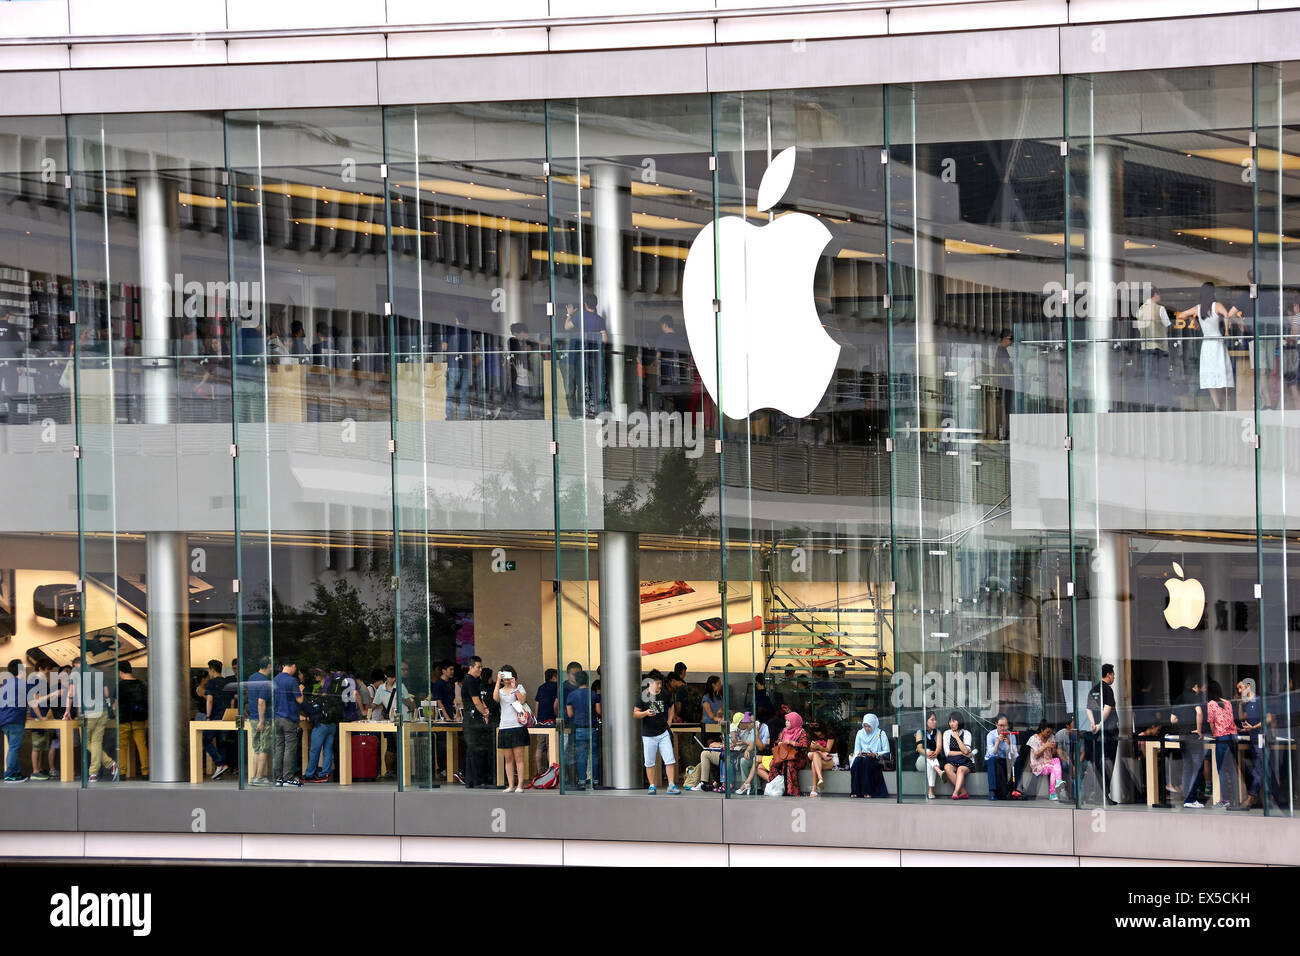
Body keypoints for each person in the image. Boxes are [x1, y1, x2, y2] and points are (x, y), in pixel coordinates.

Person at [1176, 283, 1232, 410]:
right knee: (1221, 371)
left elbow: (1181, 315)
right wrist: (1227, 332)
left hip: (1206, 343)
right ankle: (1221, 403)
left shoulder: (1198, 308)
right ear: (1213, 293)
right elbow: (1227, 315)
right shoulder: (1217, 305)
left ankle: (1217, 404)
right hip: (1217, 341)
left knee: (1209, 373)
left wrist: (1192, 318)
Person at [634, 670, 679, 794]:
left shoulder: (664, 694)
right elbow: (635, 713)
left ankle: (671, 784)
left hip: (663, 732)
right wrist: (645, 713)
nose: (659, 686)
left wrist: (670, 720)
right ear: (650, 683)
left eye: (660, 683)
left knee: (670, 759)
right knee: (649, 761)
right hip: (648, 734)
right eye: (657, 683)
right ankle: (652, 785)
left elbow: (671, 706)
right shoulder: (643, 696)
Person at [1170, 677, 1206, 808]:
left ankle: (1186, 798)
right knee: (1197, 767)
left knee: (1187, 768)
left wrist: (1183, 721)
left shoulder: (1179, 698)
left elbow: (1172, 719)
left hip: (1182, 736)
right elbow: (1199, 712)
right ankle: (1190, 799)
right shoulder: (1195, 697)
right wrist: (1199, 729)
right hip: (1192, 736)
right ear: (1195, 686)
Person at [1084, 663, 1119, 802]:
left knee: (1098, 761)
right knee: (1109, 762)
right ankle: (1104, 793)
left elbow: (1088, 709)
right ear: (1109, 674)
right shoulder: (1108, 690)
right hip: (1109, 732)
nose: (1114, 677)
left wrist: (1093, 724)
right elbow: (1107, 708)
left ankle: (1099, 792)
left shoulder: (1094, 689)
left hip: (1097, 733)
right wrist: (1099, 725)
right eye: (1113, 674)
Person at [493, 665, 531, 793]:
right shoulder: (500, 690)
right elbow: (495, 699)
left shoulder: (519, 688)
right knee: (508, 758)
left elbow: (522, 700)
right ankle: (510, 785)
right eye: (505, 677)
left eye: (509, 676)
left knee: (519, 757)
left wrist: (514, 687)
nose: (507, 679)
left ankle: (520, 785)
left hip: (517, 726)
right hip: (504, 726)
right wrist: (498, 681)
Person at [1134, 288, 1171, 409]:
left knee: (1149, 377)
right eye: (1159, 295)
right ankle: (1162, 403)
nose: (1160, 298)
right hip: (1160, 347)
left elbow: (1139, 328)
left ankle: (1151, 402)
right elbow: (1166, 326)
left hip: (1145, 347)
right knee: (1162, 377)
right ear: (1155, 294)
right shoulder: (1160, 309)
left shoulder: (1140, 310)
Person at [460, 656, 492, 789]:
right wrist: (485, 713)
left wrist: (486, 710)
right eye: (478, 667)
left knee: (473, 750)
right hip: (472, 719)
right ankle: (476, 780)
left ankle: (471, 780)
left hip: (472, 717)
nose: (480, 669)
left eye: (481, 667)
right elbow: (476, 701)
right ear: (471, 667)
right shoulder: (470, 680)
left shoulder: (473, 680)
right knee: (476, 750)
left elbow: (480, 700)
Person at [565, 669, 600, 789]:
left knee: (581, 756)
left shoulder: (571, 695)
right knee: (594, 755)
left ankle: (581, 781)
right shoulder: (593, 694)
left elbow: (569, 714)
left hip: (579, 729)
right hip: (592, 728)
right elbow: (599, 711)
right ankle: (595, 781)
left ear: (576, 681)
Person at [1233, 677, 1264, 811]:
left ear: (1249, 686)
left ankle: (1251, 798)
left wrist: (1253, 727)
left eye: (1241, 687)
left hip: (1261, 738)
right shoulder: (1248, 703)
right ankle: (1262, 797)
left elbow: (1267, 718)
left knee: (1258, 767)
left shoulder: (1259, 700)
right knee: (1255, 767)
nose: (1239, 691)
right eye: (1238, 689)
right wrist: (1240, 704)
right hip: (1252, 738)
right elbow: (1241, 718)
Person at [1206, 680, 1238, 808]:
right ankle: (1235, 799)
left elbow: (1211, 722)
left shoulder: (1211, 704)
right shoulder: (1228, 702)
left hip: (1221, 738)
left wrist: (1214, 734)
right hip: (1232, 737)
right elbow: (1231, 720)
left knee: (1222, 770)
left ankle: (1224, 800)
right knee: (1232, 770)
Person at [272, 660, 304, 787]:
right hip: (289, 717)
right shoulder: (292, 681)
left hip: (277, 717)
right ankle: (288, 777)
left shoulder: (275, 679)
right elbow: (299, 700)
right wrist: (301, 689)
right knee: (289, 748)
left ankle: (278, 777)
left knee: (279, 747)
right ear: (293, 666)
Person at [115, 661, 149, 779]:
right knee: (142, 746)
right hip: (138, 719)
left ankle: (122, 772)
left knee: (122, 747)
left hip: (124, 719)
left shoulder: (120, 685)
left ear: (120, 672)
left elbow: (115, 705)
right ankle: (145, 771)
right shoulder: (141, 684)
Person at [200, 659, 232, 780]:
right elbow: (233, 699)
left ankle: (220, 763)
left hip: (215, 717)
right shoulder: (226, 682)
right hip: (226, 716)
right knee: (221, 743)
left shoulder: (211, 683)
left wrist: (208, 717)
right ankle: (220, 771)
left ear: (212, 670)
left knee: (206, 740)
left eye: (209, 670)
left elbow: (209, 700)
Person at [245, 657, 274, 786]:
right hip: (263, 718)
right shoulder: (265, 682)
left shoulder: (251, 678)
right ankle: (260, 777)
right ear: (268, 666)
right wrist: (262, 721)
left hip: (253, 717)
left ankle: (254, 776)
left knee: (256, 748)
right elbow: (261, 701)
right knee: (264, 748)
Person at [767, 710, 810, 797]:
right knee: (773, 763)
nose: (786, 723)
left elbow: (804, 746)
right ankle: (775, 789)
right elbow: (776, 742)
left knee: (789, 764)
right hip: (784, 756)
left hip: (797, 758)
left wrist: (792, 743)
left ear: (794, 721)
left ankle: (791, 791)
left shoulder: (801, 732)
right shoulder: (784, 731)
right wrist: (779, 743)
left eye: (788, 721)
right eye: (786, 721)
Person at [850, 713, 890, 798]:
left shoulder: (881, 733)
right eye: (865, 726)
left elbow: (887, 750)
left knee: (867, 761)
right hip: (863, 757)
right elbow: (856, 749)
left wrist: (876, 754)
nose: (866, 729)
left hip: (875, 758)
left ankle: (868, 791)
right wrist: (859, 753)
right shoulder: (860, 733)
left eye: (869, 726)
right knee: (857, 762)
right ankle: (855, 791)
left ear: (874, 725)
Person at [1, 660, 27, 782]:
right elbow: (33, 702)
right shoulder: (21, 684)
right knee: (14, 748)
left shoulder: (5, 684)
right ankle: (9, 774)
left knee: (13, 747)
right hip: (15, 719)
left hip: (4, 720)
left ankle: (16, 773)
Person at [1027, 720, 1066, 800]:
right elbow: (1036, 755)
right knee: (1053, 769)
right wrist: (1045, 746)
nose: (1049, 735)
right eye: (1047, 732)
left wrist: (1054, 747)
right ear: (1042, 730)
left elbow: (1053, 753)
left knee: (1056, 760)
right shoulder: (1034, 738)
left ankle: (1058, 781)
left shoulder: (1051, 737)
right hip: (1038, 765)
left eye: (1050, 732)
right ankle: (1052, 793)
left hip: (1049, 762)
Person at [985, 713, 1018, 801]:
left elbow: (1014, 755)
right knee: (992, 760)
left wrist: (1009, 744)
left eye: (1005, 725)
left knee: (1017, 762)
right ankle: (992, 790)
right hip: (992, 759)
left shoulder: (1011, 735)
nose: (1003, 728)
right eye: (1001, 725)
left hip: (1005, 760)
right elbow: (991, 753)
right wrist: (997, 742)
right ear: (996, 724)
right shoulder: (991, 735)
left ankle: (1014, 789)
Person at [942, 712, 974, 799]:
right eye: (950, 721)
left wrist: (957, 737)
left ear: (959, 722)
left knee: (960, 769)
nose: (951, 724)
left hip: (965, 762)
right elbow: (948, 753)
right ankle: (963, 792)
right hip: (953, 761)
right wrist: (963, 753)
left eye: (954, 721)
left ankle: (955, 793)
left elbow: (966, 749)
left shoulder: (967, 733)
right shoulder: (946, 734)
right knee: (947, 767)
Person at [532, 667, 559, 770]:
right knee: (550, 746)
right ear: (554, 677)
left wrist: (537, 719)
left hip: (541, 720)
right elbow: (556, 705)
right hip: (551, 720)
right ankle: (551, 771)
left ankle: (539, 771)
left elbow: (537, 704)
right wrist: (557, 715)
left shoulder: (541, 687)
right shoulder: (557, 687)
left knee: (539, 746)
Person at [914, 711, 942, 799]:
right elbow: (919, 748)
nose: (935, 722)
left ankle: (931, 790)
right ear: (926, 721)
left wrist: (935, 753)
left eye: (935, 720)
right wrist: (927, 753)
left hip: (933, 760)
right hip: (921, 761)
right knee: (928, 750)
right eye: (932, 720)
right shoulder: (920, 732)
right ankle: (938, 770)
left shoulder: (937, 732)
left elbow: (939, 747)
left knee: (930, 765)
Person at [806, 718, 836, 797]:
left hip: (831, 759)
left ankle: (814, 789)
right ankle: (820, 779)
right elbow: (811, 751)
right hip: (819, 759)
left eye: (818, 732)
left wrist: (819, 747)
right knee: (814, 759)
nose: (817, 734)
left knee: (814, 763)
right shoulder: (812, 736)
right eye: (815, 732)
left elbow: (828, 750)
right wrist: (812, 747)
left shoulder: (830, 734)